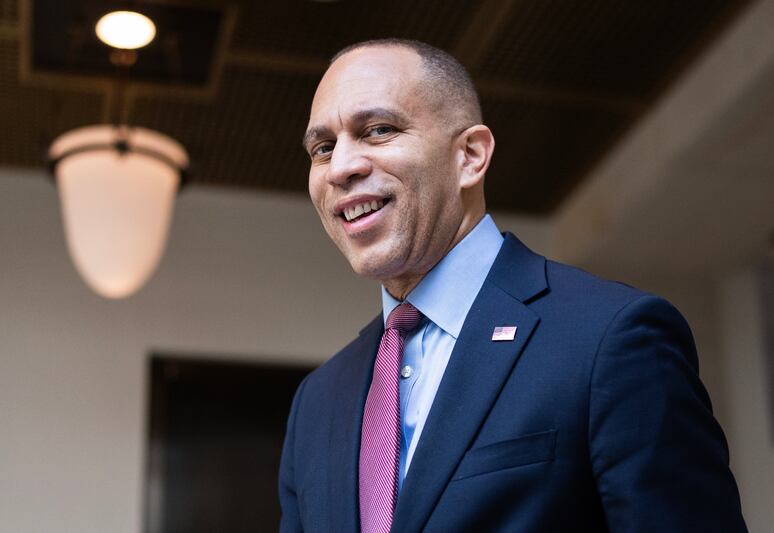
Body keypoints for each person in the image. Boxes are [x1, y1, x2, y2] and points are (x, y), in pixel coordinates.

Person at [279, 38, 747, 533]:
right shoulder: (316, 401)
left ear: (471, 156)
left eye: (378, 130)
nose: (341, 168)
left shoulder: (611, 339)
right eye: (323, 148)